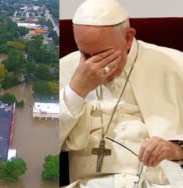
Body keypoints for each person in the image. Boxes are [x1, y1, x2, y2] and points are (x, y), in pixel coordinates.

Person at [60, 0, 183, 187]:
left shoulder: (175, 64)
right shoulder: (65, 69)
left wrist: (176, 149)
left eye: (104, 55)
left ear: (128, 38)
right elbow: (40, 147)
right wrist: (76, 91)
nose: (94, 66)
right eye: (85, 54)